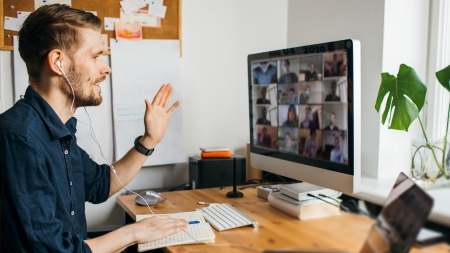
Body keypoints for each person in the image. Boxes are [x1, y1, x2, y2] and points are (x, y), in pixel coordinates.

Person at [0, 5, 188, 252]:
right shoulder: (19, 137)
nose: (106, 68)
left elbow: (101, 185)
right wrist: (134, 232)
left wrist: (149, 140)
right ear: (58, 62)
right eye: (95, 56)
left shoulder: (57, 129)